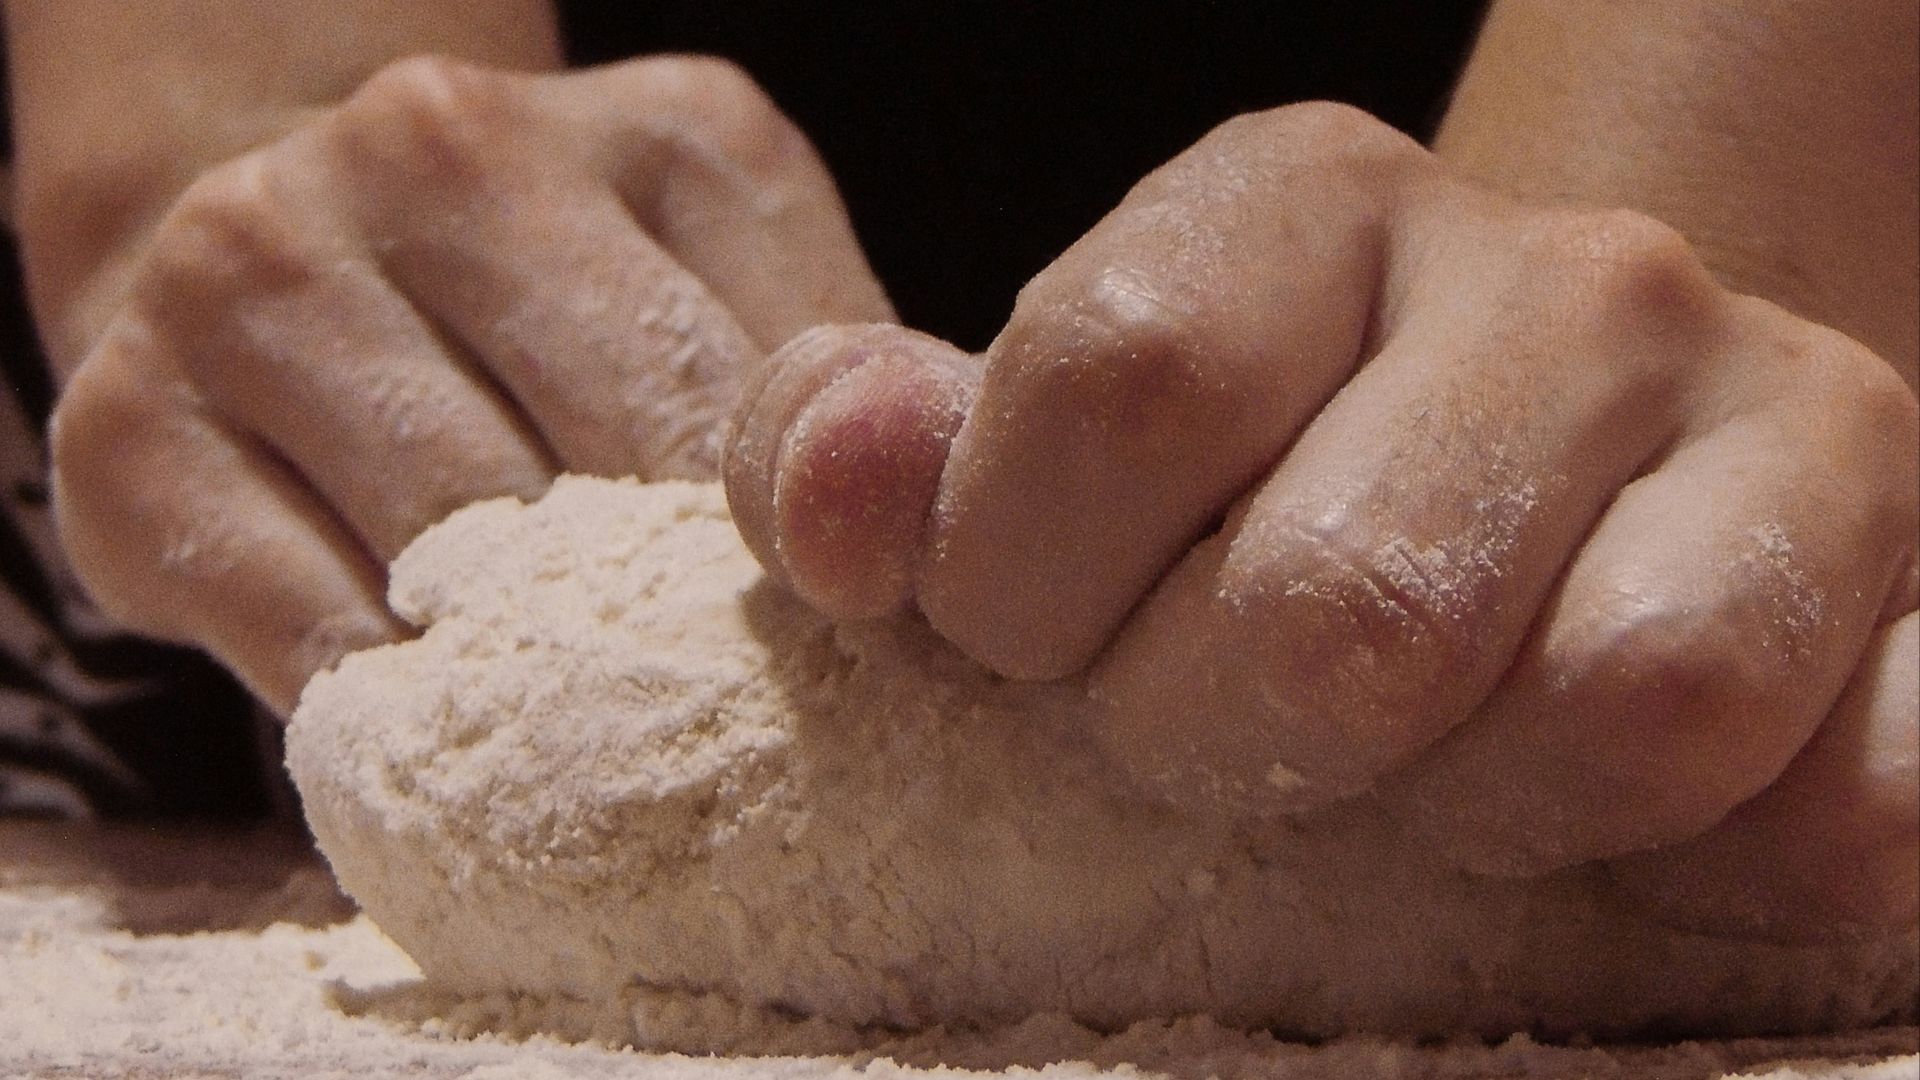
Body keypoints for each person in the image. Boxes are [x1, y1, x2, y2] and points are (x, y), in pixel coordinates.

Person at [1, 0, 1913, 944]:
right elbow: (272, 118)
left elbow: (1674, 283)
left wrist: (1661, 415)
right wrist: (309, 250)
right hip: (219, 773)